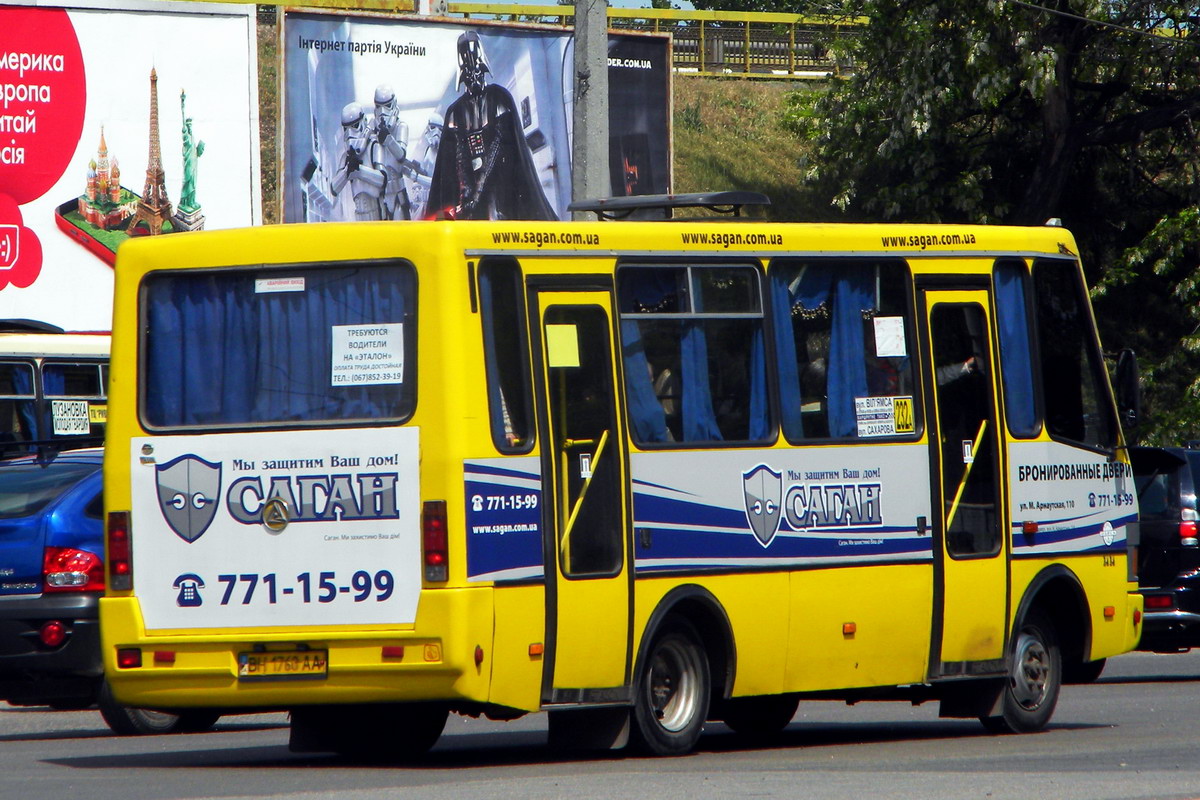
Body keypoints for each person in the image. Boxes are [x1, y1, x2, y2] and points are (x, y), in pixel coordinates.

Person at [425, 31, 556, 220]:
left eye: (477, 69)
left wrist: (478, 192)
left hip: (499, 183)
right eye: (469, 72)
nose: (474, 76)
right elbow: (459, 155)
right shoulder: (456, 110)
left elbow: (497, 146)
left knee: (496, 221)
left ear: (483, 67)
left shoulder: (498, 98)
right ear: (463, 75)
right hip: (470, 182)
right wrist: (468, 191)